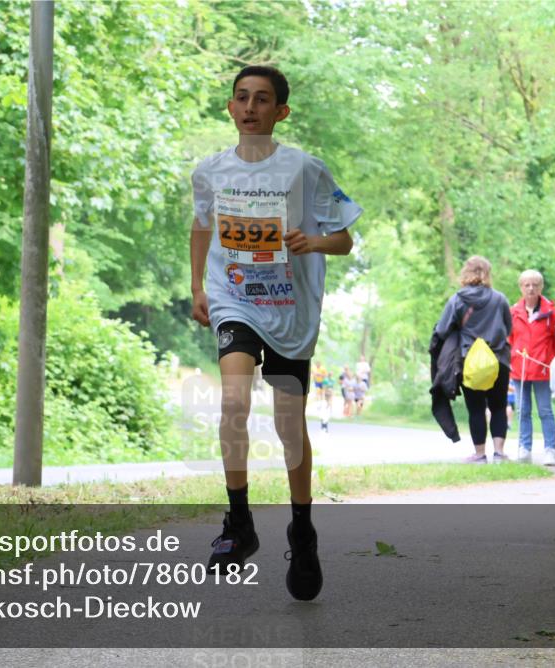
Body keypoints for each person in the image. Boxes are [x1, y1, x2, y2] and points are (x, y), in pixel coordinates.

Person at [189, 65, 361, 601]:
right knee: (234, 402)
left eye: (262, 99)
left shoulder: (305, 169)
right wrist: (198, 286)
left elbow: (345, 240)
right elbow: (200, 226)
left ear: (280, 111)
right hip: (232, 296)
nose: (250, 107)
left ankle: (302, 531)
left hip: (289, 309)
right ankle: (238, 522)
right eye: (241, 98)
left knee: (289, 422)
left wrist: (312, 241)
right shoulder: (210, 170)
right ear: (230, 107)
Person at [433, 256, 513, 464]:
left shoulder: (458, 299)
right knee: (498, 406)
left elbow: (442, 329)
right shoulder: (500, 299)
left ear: (466, 272)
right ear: (487, 273)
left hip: (470, 362)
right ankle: (499, 453)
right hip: (498, 360)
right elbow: (509, 328)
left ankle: (479, 454)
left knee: (476, 408)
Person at [508, 269, 555, 466]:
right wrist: (513, 356)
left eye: (535, 285)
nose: (531, 289)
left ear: (541, 287)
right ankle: (524, 448)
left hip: (542, 370)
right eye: (527, 285)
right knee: (522, 410)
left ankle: (550, 450)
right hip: (519, 370)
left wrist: (551, 361)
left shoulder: (551, 313)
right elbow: (510, 339)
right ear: (521, 287)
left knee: (545, 410)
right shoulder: (513, 312)